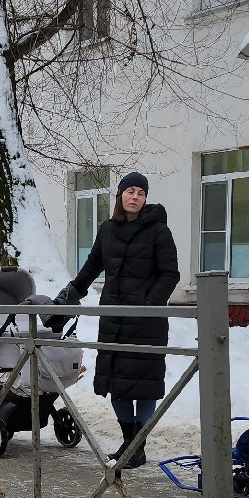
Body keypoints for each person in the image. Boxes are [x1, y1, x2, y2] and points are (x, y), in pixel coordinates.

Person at [53, 171, 180, 467]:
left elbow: (170, 274)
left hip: (147, 320)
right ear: (120, 195)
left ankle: (137, 445)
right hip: (113, 317)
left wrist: (148, 305)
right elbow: (92, 266)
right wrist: (70, 293)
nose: (135, 197)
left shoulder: (159, 231)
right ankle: (129, 442)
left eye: (141, 192)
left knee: (144, 383)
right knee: (118, 382)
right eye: (130, 191)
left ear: (145, 197)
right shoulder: (108, 229)